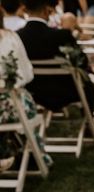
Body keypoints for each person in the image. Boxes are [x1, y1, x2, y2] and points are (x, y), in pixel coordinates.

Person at [17, 0, 94, 111]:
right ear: (46, 10)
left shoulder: (17, 36)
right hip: (65, 90)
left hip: (32, 91)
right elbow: (82, 61)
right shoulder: (62, 35)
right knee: (86, 82)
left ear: (26, 10)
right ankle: (89, 125)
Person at [0, 9, 53, 165]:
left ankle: (7, 152)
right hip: (11, 107)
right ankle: (31, 157)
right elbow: (26, 74)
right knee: (21, 100)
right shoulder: (9, 37)